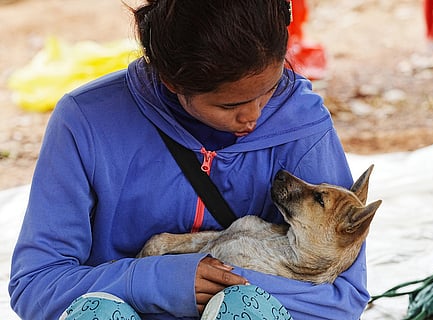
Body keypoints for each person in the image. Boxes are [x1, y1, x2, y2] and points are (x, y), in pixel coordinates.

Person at [8, 0, 369, 319]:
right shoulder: (86, 120)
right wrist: (157, 282)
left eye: (270, 90)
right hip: (123, 308)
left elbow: (342, 297)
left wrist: (231, 285)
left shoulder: (300, 121)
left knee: (246, 307)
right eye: (229, 105)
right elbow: (36, 283)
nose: (254, 117)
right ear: (171, 80)